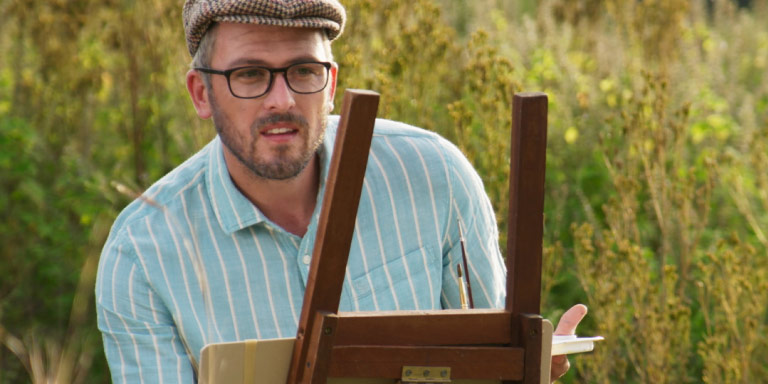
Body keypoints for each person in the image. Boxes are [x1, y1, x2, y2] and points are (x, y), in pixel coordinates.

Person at [95, 0, 587, 382]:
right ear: (201, 93)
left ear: (331, 83)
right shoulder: (142, 255)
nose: (282, 100)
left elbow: (489, 356)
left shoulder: (434, 175)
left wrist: (528, 364)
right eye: (250, 75)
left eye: (303, 71)